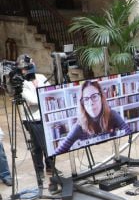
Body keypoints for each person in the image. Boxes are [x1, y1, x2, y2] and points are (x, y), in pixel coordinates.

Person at [52, 80, 131, 156]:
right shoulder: (79, 126)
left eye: (94, 96)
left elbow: (130, 135)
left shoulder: (112, 115)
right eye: (86, 99)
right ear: (82, 103)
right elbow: (58, 152)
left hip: (113, 155)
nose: (90, 103)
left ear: (101, 97)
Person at [17, 54, 55, 182]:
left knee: (50, 142)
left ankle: (51, 167)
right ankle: (39, 170)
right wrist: (39, 88)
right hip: (31, 118)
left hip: (45, 115)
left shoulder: (41, 77)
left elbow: (50, 93)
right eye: (29, 64)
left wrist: (42, 93)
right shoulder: (20, 81)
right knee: (38, 145)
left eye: (32, 62)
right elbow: (32, 100)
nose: (32, 65)